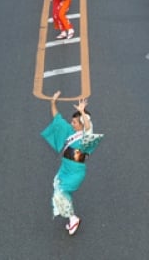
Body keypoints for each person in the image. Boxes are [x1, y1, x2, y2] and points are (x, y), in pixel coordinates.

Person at [40, 91, 103, 236]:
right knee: (57, 187)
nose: (71, 123)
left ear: (81, 123)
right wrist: (53, 102)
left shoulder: (85, 138)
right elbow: (57, 118)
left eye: (74, 122)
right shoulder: (70, 131)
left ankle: (73, 218)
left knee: (60, 193)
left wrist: (81, 111)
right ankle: (71, 216)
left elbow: (88, 128)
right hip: (65, 169)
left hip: (76, 172)